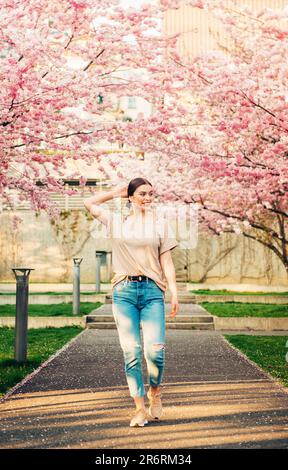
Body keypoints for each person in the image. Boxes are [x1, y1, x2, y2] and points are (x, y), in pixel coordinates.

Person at [84, 177, 179, 427]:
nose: (148, 198)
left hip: (152, 292)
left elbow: (166, 260)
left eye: (151, 193)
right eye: (142, 194)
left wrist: (174, 292)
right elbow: (88, 202)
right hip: (124, 290)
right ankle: (138, 408)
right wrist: (114, 193)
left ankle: (155, 392)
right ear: (131, 197)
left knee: (155, 351)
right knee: (131, 352)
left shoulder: (160, 224)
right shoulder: (117, 222)